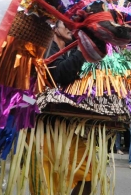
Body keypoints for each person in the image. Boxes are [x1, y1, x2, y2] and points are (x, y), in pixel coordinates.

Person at [36, 20, 91, 195]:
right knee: (47, 184)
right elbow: (60, 74)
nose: (71, 28)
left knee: (88, 175)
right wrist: (82, 49)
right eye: (66, 24)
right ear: (53, 26)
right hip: (43, 128)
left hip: (68, 126)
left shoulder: (67, 51)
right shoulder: (44, 47)